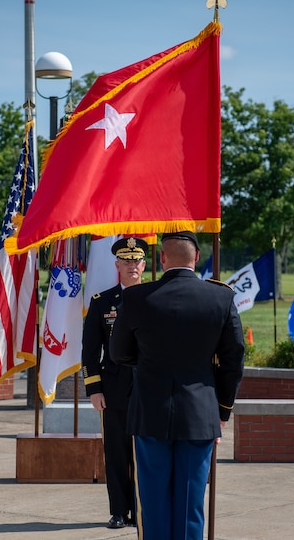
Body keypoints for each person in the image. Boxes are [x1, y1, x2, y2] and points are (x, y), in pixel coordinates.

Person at [109, 231, 245, 540]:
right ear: (197, 257)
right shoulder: (221, 297)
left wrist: (148, 363)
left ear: (161, 258)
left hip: (149, 414)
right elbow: (233, 362)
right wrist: (222, 410)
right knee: (189, 506)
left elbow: (118, 353)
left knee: (153, 505)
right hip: (200, 416)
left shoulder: (135, 297)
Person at [81, 236, 148, 529]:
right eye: (126, 261)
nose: (132, 266)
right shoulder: (102, 302)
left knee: (146, 454)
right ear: (117, 265)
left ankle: (142, 511)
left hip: (149, 389)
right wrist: (94, 389)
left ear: (144, 265)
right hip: (114, 388)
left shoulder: (155, 297)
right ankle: (119, 511)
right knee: (117, 453)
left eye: (136, 261)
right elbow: (89, 350)